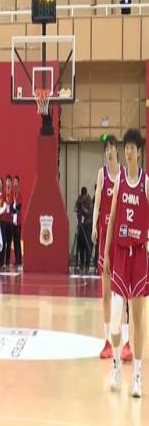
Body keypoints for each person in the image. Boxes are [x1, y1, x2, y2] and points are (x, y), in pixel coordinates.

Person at [103, 129, 147, 398]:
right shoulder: (119, 181)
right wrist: (107, 253)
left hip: (139, 254)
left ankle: (138, 377)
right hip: (119, 254)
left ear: (139, 152)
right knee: (116, 318)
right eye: (126, 147)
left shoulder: (146, 183)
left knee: (139, 319)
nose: (128, 151)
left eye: (132, 148)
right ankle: (117, 368)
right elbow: (110, 220)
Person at [92, 136, 132, 361]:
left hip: (121, 240)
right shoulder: (102, 174)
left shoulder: (125, 175)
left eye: (111, 148)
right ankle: (107, 341)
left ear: (117, 150)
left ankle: (126, 342)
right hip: (105, 240)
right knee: (106, 293)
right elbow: (97, 202)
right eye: (106, 149)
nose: (108, 152)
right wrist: (93, 226)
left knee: (123, 293)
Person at [75, 186, 93, 274]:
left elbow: (90, 213)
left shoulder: (89, 200)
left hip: (87, 225)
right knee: (80, 246)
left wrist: (83, 209)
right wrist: (79, 208)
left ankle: (87, 266)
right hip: (81, 225)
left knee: (87, 246)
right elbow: (75, 209)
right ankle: (81, 265)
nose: (83, 198)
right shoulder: (80, 199)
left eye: (84, 196)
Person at [12, 176, 22, 268]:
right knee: (14, 241)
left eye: (16, 182)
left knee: (18, 241)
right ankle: (16, 259)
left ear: (18, 183)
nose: (15, 183)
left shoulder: (19, 194)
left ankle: (19, 260)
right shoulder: (13, 194)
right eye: (14, 182)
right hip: (13, 222)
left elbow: (18, 207)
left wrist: (14, 206)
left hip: (18, 221)